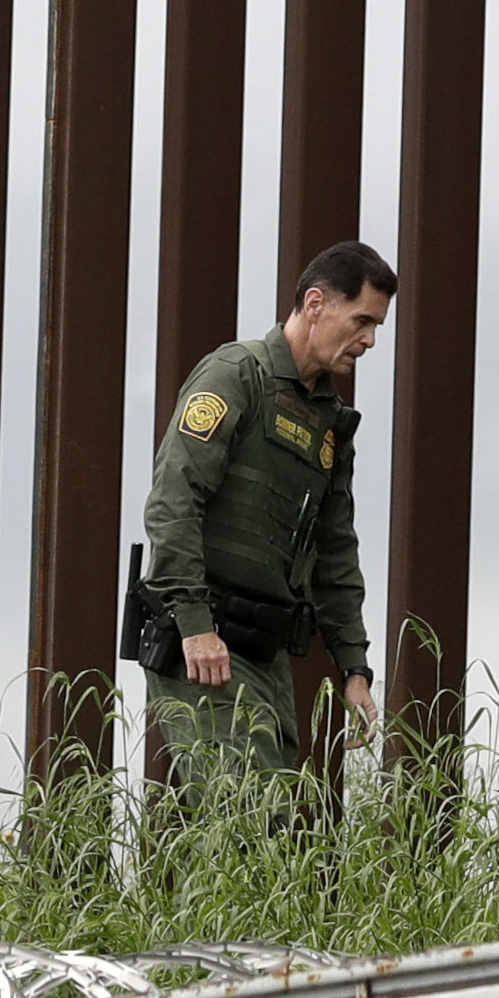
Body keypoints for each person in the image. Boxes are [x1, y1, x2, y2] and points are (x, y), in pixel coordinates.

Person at [133, 240, 393, 781]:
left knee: (264, 834)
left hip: (264, 655)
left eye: (377, 327)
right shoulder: (236, 376)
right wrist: (196, 626)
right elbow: (173, 502)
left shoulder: (330, 420)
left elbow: (335, 551)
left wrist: (354, 668)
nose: (369, 340)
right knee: (246, 819)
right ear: (316, 304)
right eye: (362, 320)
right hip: (203, 642)